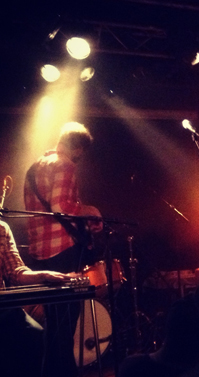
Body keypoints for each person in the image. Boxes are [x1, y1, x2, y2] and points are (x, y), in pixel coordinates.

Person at [23, 121, 103, 377]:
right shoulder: (65, 164)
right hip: (63, 252)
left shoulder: (34, 166)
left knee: (53, 324)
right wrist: (89, 211)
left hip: (39, 254)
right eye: (82, 152)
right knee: (66, 323)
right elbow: (60, 206)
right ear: (78, 148)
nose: (80, 157)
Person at [0, 220, 76, 377]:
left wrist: (43, 275)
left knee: (32, 334)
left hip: (3, 306)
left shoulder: (2, 228)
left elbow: (15, 271)